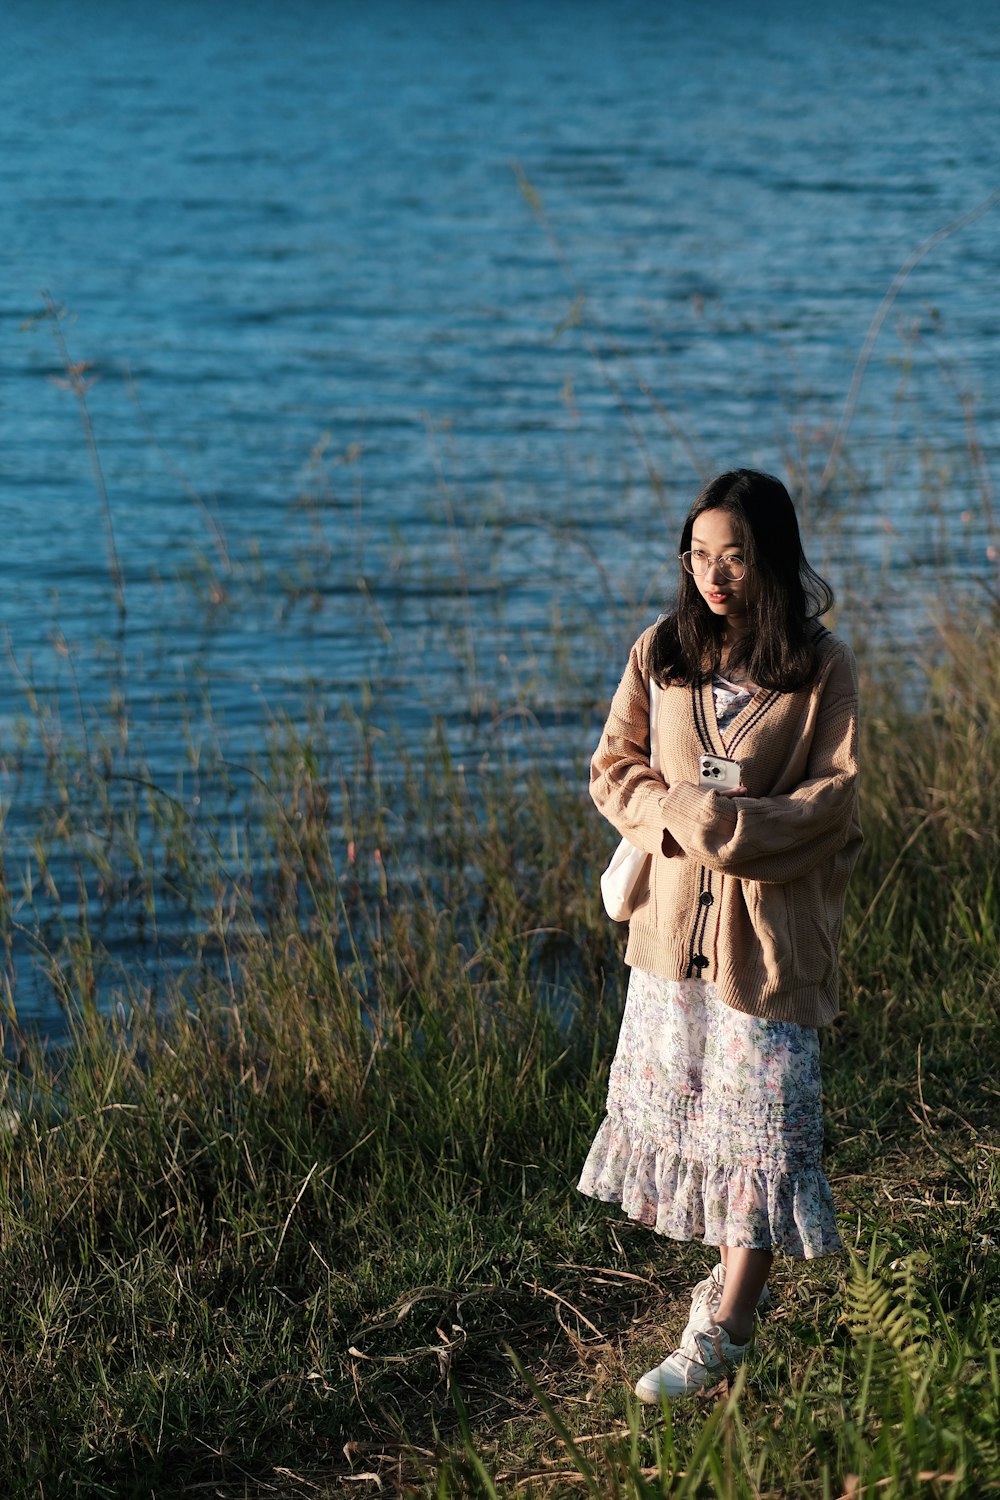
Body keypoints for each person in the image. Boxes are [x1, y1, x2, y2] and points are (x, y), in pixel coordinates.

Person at [579, 469, 861, 1403]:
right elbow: (612, 767)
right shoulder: (661, 651)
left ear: (771, 557)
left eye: (734, 556)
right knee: (705, 1127)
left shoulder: (821, 669)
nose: (715, 575)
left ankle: (726, 1334)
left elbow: (832, 802)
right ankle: (726, 1301)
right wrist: (674, 808)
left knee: (766, 1139)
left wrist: (726, 829)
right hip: (671, 942)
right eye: (700, 555)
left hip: (767, 943)